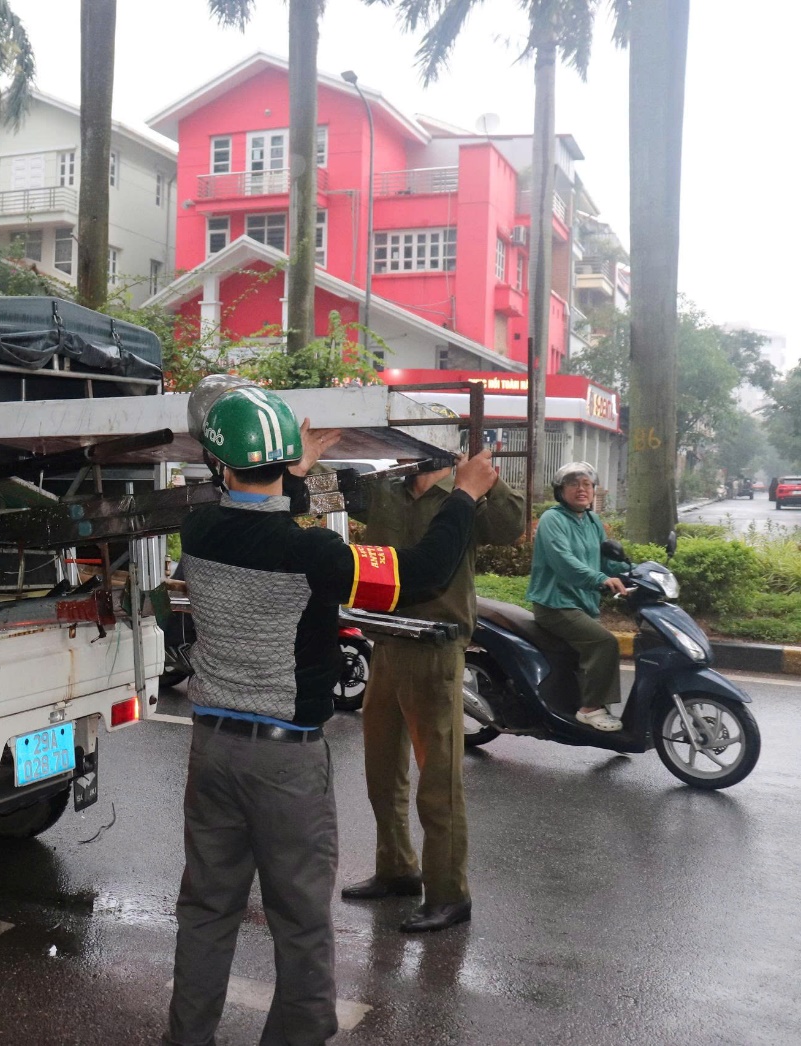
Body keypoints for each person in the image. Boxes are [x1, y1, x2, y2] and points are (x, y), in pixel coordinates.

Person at [165, 381, 500, 1046]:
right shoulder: (314, 555)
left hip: (212, 751)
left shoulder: (197, 530)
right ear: (279, 461)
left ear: (218, 464)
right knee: (298, 919)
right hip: (283, 761)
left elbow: (252, 512)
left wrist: (292, 471)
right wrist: (463, 494)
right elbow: (423, 574)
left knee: (206, 911)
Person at [341, 454, 525, 933]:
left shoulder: (462, 492)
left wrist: (485, 479)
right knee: (382, 770)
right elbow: (326, 494)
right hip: (386, 642)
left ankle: (448, 893)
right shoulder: (385, 489)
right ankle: (397, 868)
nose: (405, 450)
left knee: (438, 783)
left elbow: (510, 527)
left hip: (437, 647)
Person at [526, 461, 631, 731]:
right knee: (604, 643)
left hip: (584, 604)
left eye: (587, 484)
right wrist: (599, 580)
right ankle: (590, 709)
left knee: (591, 650)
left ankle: (588, 700)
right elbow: (564, 562)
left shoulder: (592, 520)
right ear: (560, 491)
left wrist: (629, 572)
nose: (581, 489)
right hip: (556, 604)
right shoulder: (553, 520)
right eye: (573, 484)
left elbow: (604, 558)